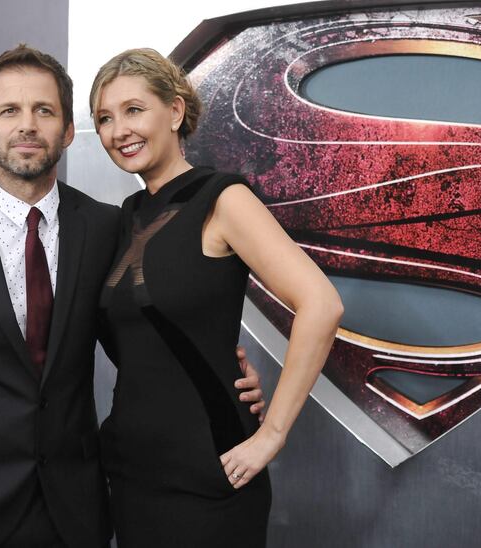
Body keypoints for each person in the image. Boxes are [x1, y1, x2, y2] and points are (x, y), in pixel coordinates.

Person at [0, 44, 264, 548]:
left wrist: (221, 369)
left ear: (69, 132)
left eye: (44, 111)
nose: (27, 125)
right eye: (10, 111)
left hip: (75, 507)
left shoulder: (106, 227)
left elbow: (142, 334)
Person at [90, 48, 344, 547]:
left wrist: (271, 434)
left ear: (176, 111)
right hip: (132, 474)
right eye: (104, 118)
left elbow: (322, 304)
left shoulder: (222, 198)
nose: (119, 130)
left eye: (134, 110)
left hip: (211, 476)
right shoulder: (127, 216)